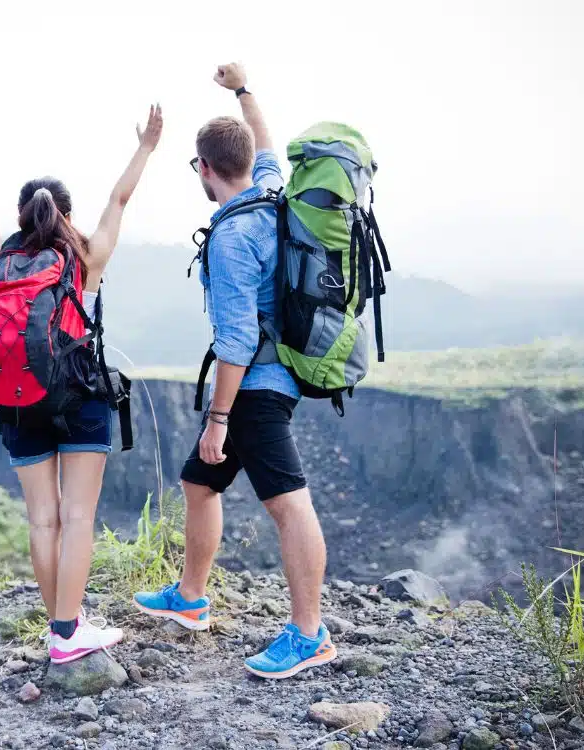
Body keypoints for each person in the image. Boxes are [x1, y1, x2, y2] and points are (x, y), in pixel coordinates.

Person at [0, 104, 163, 664]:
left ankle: (61, 627)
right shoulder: (84, 255)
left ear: (22, 216)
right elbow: (119, 201)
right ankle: (69, 634)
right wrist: (145, 148)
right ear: (65, 214)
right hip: (80, 397)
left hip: (17, 401)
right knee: (77, 518)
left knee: (43, 519)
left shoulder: (5, 257)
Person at [133, 65, 336, 679]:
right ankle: (191, 599)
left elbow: (238, 340)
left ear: (203, 168)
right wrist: (244, 90)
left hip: (255, 388)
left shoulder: (228, 239)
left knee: (289, 506)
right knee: (201, 485)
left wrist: (218, 419)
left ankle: (309, 635)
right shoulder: (273, 187)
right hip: (275, 375)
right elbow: (264, 136)